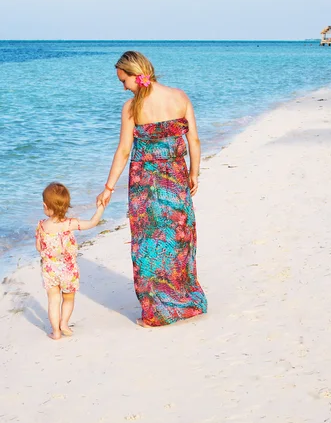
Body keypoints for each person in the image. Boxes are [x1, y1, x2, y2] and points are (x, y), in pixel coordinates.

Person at [96, 51, 207, 327]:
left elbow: (123, 151)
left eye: (124, 81)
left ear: (136, 75)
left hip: (145, 186)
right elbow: (194, 139)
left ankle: (157, 311)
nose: (123, 87)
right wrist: (194, 173)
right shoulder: (179, 97)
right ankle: (186, 301)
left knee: (149, 244)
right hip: (177, 178)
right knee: (178, 239)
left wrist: (109, 187)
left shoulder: (131, 108)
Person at [36, 182, 104, 340]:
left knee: (53, 300)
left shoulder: (41, 226)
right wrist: (100, 208)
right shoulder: (70, 224)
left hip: (50, 270)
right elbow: (92, 223)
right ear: (67, 206)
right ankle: (64, 323)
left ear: (45, 205)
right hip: (69, 270)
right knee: (68, 298)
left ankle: (56, 332)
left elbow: (39, 247)